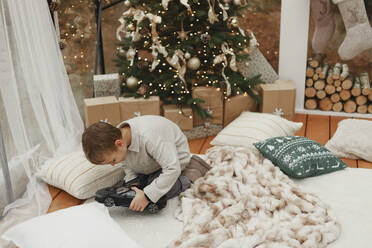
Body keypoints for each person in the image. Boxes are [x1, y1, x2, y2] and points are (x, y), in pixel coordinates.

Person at [82, 115, 210, 212]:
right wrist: (133, 181)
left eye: (113, 161)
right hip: (150, 162)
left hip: (175, 162)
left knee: (157, 194)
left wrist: (148, 196)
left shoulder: (150, 137)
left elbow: (172, 168)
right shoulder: (120, 140)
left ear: (119, 143)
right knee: (136, 188)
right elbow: (127, 164)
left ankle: (193, 171)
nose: (114, 165)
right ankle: (145, 183)